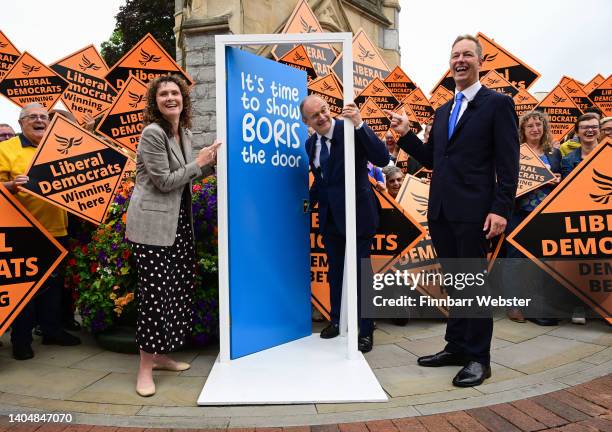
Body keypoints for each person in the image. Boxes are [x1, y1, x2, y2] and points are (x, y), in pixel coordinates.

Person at [386, 34, 519, 387]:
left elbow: (509, 163)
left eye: (467, 55)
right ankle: (457, 347)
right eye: (455, 55)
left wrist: (500, 208)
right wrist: (406, 135)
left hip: (476, 211)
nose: (460, 60)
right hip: (442, 211)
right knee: (456, 284)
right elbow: (434, 160)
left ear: (480, 62)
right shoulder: (443, 111)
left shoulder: (497, 104)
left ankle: (479, 358)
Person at [125, 75, 220, 397]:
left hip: (178, 227)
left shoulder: (185, 133)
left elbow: (186, 177)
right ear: (155, 101)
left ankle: (161, 356)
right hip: (152, 228)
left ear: (183, 99)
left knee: (174, 292)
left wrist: (211, 163)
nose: (170, 97)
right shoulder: (152, 133)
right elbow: (165, 181)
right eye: (163, 94)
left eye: (175, 93)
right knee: (153, 298)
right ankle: (144, 369)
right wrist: (200, 162)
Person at [301, 95, 389, 353]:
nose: (322, 117)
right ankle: (338, 320)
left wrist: (361, 124)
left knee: (361, 274)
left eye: (324, 110)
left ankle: (365, 328)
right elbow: (322, 180)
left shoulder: (350, 128)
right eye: (315, 115)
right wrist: (305, 205)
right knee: (335, 272)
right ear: (306, 121)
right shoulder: (310, 145)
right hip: (331, 219)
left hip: (359, 215)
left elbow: (382, 157)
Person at [0, 103, 81, 360]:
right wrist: (11, 185)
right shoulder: (5, 149)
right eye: (32, 117)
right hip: (21, 231)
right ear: (21, 122)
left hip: (57, 228)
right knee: (25, 288)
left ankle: (51, 331)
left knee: (53, 285)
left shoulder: (58, 145)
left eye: (43, 117)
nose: (39, 120)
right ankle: (21, 340)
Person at [502, 111, 561, 326]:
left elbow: (561, 180)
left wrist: (557, 180)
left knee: (540, 261)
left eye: (538, 125)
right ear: (523, 130)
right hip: (517, 212)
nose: (535, 129)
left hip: (543, 214)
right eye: (530, 126)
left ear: (544, 128)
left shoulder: (554, 153)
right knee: (515, 258)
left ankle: (536, 304)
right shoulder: (514, 152)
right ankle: (513, 304)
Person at [560, 113, 601, 326]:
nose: (589, 130)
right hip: (578, 219)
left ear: (599, 130)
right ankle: (579, 306)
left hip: (604, 219)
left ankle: (604, 306)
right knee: (579, 265)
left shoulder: (609, 155)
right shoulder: (568, 160)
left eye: (593, 127)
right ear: (577, 132)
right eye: (584, 127)